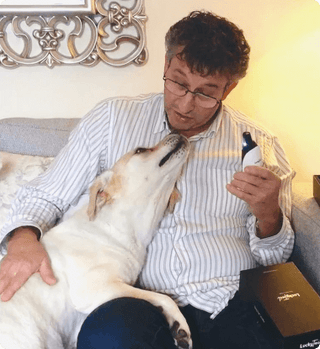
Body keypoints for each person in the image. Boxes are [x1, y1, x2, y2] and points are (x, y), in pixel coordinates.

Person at [0, 10, 294, 349]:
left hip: (230, 301)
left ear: (229, 89)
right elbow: (45, 196)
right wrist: (22, 241)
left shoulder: (261, 146)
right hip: (138, 304)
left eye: (205, 93)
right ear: (166, 64)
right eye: (179, 82)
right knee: (110, 337)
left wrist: (268, 215)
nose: (186, 103)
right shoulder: (112, 120)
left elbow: (276, 261)